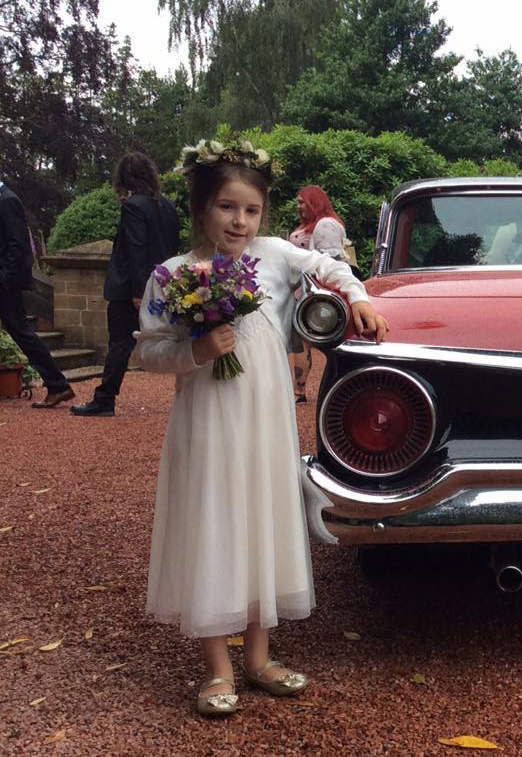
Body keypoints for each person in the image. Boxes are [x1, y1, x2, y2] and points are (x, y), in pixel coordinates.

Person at [137, 138, 389, 717]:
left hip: (266, 421)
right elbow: (148, 354)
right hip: (208, 423)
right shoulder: (173, 274)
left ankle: (258, 657)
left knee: (261, 519)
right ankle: (217, 668)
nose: (240, 221)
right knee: (215, 520)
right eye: (227, 207)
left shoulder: (274, 255)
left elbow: (330, 266)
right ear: (203, 207)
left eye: (251, 210)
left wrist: (358, 297)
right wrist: (197, 349)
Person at [71, 153, 181, 417]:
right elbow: (171, 247)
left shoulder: (133, 206)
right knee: (173, 339)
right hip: (164, 283)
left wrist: (137, 291)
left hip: (132, 289)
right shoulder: (167, 206)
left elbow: (135, 249)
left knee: (120, 343)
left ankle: (105, 399)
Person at [0, 178, 76, 408]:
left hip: (5, 284)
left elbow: (17, 245)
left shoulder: (7, 201)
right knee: (21, 331)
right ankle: (58, 385)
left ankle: (58, 385)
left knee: (21, 332)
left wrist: (5, 279)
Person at [286, 184, 351, 403]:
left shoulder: (325, 225)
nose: (299, 206)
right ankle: (299, 390)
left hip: (314, 293)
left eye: (303, 201)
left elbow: (329, 262)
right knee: (301, 342)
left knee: (312, 341)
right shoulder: (312, 225)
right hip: (302, 290)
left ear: (315, 202)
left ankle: (302, 392)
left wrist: (316, 294)